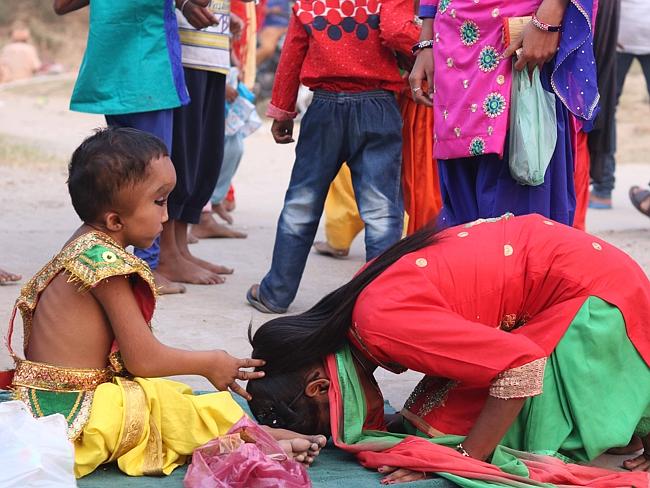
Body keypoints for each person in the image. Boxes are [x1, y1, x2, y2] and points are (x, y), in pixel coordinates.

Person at [6, 128, 325, 478]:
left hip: (52, 404)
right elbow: (142, 359)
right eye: (159, 202)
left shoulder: (84, 245)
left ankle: (258, 437)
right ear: (115, 220)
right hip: (72, 421)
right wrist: (210, 362)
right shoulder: (104, 266)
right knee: (169, 408)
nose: (166, 215)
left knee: (173, 397)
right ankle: (251, 443)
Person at [247, 212, 650, 485]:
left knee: (488, 433)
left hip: (599, 299)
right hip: (577, 275)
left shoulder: (380, 324)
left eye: (327, 421)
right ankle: (616, 425)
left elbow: (522, 366)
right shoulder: (358, 313)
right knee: (434, 416)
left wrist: (463, 459)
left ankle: (612, 423)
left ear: (320, 387)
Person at [246, 0, 421, 314]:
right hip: (377, 107)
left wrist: (282, 111)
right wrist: (421, 57)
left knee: (302, 203)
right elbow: (398, 31)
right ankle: (381, 303)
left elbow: (292, 54)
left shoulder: (308, 3)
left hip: (324, 109)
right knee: (382, 213)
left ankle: (276, 293)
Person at [409, 0, 599, 228]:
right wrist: (427, 39)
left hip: (525, 44)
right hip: (453, 51)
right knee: (462, 228)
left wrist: (552, 11)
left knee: (524, 229)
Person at [53, 0, 195, 294]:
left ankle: (127, 263)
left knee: (124, 176)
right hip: (143, 73)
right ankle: (143, 268)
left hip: (120, 71)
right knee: (147, 176)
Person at [592, 0, 650, 210]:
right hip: (616, 38)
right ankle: (602, 186)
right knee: (604, 112)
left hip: (624, 35)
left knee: (606, 112)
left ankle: (603, 188)